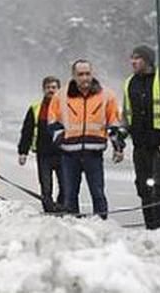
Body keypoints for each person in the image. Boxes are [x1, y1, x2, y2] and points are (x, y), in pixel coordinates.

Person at [47, 59, 126, 219]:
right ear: (73, 76)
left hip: (94, 154)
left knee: (98, 193)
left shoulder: (106, 95)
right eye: (80, 74)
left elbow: (114, 123)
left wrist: (118, 147)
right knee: (70, 195)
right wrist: (61, 139)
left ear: (92, 74)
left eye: (87, 74)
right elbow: (52, 122)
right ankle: (73, 228)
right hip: (69, 155)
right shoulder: (61, 96)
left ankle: (103, 225)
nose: (85, 78)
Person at [123, 45, 160, 229]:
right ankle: (150, 226)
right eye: (132, 58)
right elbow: (127, 113)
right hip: (140, 144)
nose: (133, 62)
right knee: (143, 186)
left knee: (159, 185)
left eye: (138, 58)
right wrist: (122, 133)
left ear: (148, 60)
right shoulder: (129, 83)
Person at [18, 76, 65, 212]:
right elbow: (27, 130)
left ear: (58, 90)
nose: (51, 90)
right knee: (46, 186)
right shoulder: (35, 108)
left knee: (66, 186)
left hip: (62, 152)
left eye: (54, 87)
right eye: (48, 87)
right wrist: (23, 152)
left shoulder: (66, 107)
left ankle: (62, 208)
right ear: (43, 89)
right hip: (43, 154)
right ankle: (49, 211)